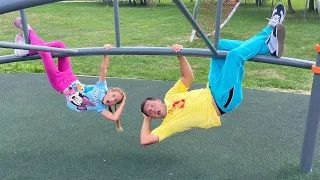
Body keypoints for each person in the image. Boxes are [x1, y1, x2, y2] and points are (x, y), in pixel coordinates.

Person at [140, 4, 286, 145]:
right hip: (221, 100)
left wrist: (180, 57)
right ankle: (270, 31)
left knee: (218, 46)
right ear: (152, 117)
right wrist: (146, 119)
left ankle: (268, 47)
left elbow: (187, 78)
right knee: (235, 56)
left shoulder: (170, 96)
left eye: (151, 105)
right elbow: (145, 140)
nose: (152, 109)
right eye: (150, 112)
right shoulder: (168, 124)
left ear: (158, 100)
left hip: (212, 86)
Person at [12, 17, 126, 131]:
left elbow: (114, 117)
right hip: (70, 77)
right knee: (60, 45)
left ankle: (27, 29)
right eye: (113, 96)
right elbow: (104, 68)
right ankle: (26, 51)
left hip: (60, 84)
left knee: (45, 53)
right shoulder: (102, 88)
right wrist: (106, 52)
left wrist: (123, 101)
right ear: (110, 91)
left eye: (115, 102)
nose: (112, 100)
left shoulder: (101, 107)